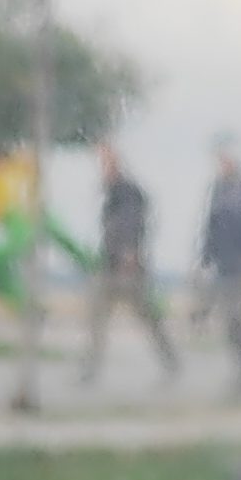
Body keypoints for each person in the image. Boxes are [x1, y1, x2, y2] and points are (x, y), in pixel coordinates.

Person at [81, 146, 177, 382]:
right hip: (109, 264)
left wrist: (130, 252)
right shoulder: (111, 192)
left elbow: (134, 222)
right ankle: (89, 370)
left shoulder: (128, 191)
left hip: (128, 266)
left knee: (147, 316)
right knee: (97, 317)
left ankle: (171, 362)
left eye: (106, 163)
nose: (103, 168)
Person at [199, 139, 241, 395]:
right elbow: (210, 227)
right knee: (230, 323)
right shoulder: (218, 189)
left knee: (240, 320)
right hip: (223, 266)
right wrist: (204, 259)